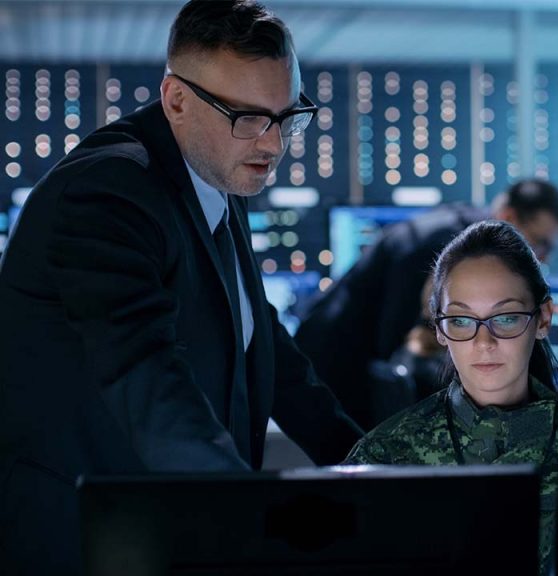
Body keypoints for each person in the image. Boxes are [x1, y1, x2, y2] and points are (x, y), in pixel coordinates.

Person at [0, 2, 362, 573]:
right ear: (176, 100)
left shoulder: (218, 171)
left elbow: (262, 342)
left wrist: (366, 463)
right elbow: (144, 372)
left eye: (287, 116)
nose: (273, 144)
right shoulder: (107, 192)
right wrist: (241, 513)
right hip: (83, 538)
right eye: (248, 117)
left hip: (163, 529)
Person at [345, 220, 558, 572]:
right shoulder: (383, 459)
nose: (484, 342)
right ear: (439, 327)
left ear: (543, 319)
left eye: (505, 318)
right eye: (461, 321)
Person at [295, 179, 558, 431]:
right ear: (509, 217)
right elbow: (392, 342)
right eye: (542, 243)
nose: (542, 258)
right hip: (329, 367)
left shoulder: (462, 234)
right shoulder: (449, 249)